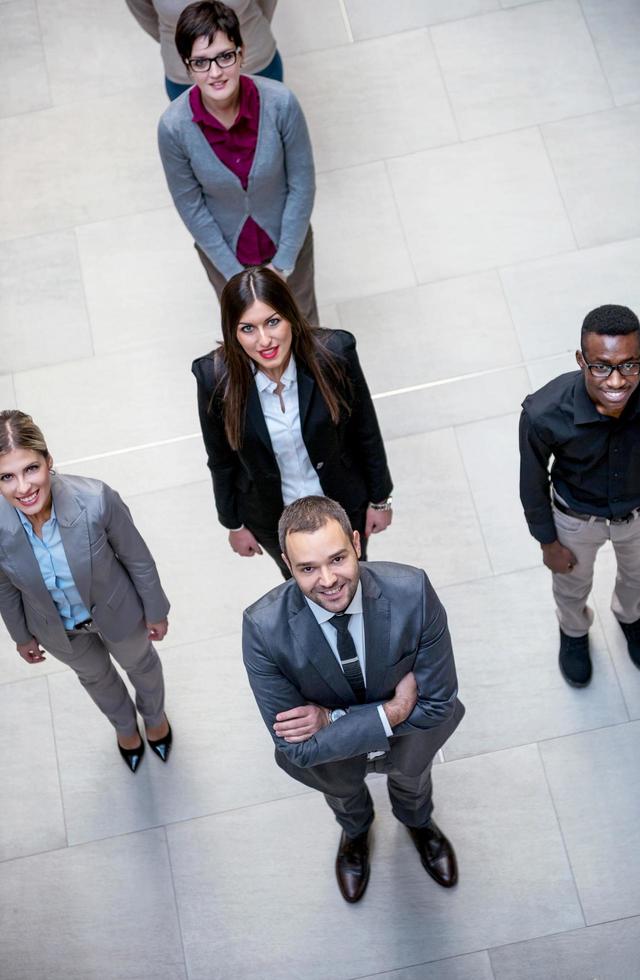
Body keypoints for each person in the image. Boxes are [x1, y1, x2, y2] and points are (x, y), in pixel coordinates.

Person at [242, 496, 464, 903]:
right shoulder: (262, 629)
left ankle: (418, 823)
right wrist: (393, 710)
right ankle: (356, 832)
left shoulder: (412, 591)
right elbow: (300, 747)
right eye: (308, 568)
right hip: (337, 760)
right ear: (288, 568)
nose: (327, 579)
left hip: (411, 739)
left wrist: (332, 719)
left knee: (413, 782)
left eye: (337, 559)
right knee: (344, 795)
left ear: (357, 544)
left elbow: (437, 704)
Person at [192, 267, 393, 578]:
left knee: (353, 577)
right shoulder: (214, 378)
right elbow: (220, 460)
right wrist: (233, 523)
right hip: (272, 517)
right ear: (232, 332)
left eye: (273, 322)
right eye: (248, 328)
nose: (264, 340)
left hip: (342, 502)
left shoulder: (334, 353)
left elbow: (365, 431)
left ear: (290, 317)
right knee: (300, 585)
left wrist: (379, 499)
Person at [0, 411, 173, 773]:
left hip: (119, 613)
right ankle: (125, 728)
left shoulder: (96, 499)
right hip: (58, 630)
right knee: (95, 678)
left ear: (49, 461)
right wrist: (20, 636)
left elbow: (137, 559)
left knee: (141, 666)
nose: (23, 488)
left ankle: (155, 717)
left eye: (31, 469)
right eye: (6, 477)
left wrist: (155, 609)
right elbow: (4, 585)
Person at [519, 304, 640, 687]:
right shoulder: (544, 411)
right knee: (571, 585)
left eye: (629, 365)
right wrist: (547, 541)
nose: (616, 381)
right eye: (601, 366)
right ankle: (574, 632)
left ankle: (629, 616)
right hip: (576, 519)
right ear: (582, 360)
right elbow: (531, 481)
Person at [158, 1, 318, 323]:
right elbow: (191, 206)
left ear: (241, 53)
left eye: (224, 57)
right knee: (249, 343)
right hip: (225, 261)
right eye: (201, 63)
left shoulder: (281, 103)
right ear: (187, 68)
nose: (215, 72)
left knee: (306, 330)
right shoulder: (173, 128)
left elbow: (302, 183)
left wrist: (284, 263)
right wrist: (236, 277)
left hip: (289, 249)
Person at [125, 0, 282, 101]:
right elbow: (144, 13)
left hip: (256, 63)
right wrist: (185, 44)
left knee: (270, 142)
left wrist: (240, 34)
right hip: (186, 78)